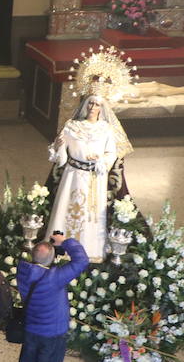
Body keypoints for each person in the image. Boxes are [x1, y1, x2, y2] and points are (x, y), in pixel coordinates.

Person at [12, 234, 89, 362]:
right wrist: (66, 242)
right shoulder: (54, 278)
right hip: (52, 334)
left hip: (31, 328)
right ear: (53, 259)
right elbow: (82, 261)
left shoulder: (23, 270)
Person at [45, 93, 133, 262]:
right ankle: (59, 249)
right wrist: (58, 147)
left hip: (94, 178)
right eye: (90, 103)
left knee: (90, 215)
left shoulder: (106, 129)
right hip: (72, 176)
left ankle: (89, 250)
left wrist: (101, 161)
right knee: (66, 210)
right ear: (85, 105)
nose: (93, 108)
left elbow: (111, 153)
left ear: (102, 108)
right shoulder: (71, 126)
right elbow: (62, 159)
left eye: (97, 105)